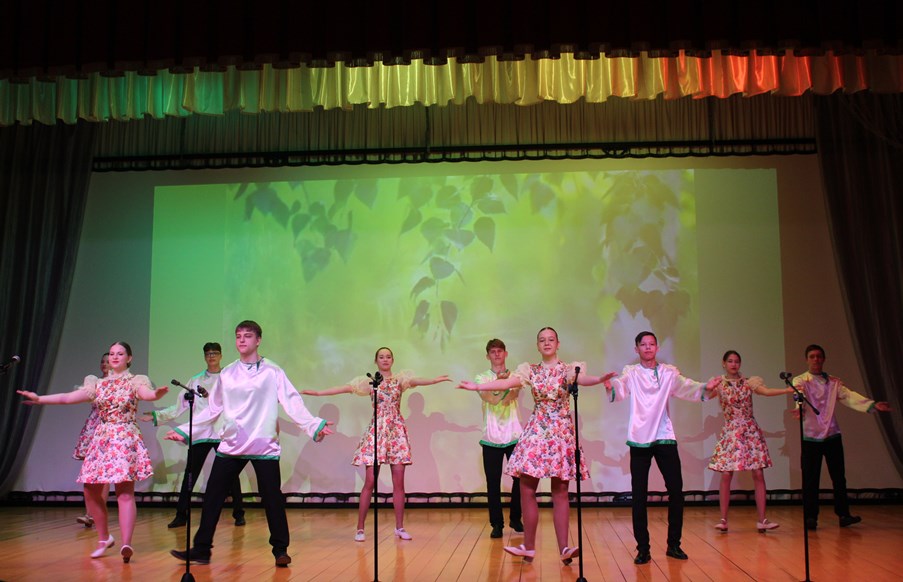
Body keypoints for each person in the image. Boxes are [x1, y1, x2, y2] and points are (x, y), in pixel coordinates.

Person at [166, 320, 333, 568]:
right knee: (212, 496)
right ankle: (201, 549)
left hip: (263, 445)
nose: (242, 340)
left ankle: (280, 550)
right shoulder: (228, 373)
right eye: (238, 336)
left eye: (247, 336)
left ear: (258, 340)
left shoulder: (272, 371)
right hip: (232, 444)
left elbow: (292, 402)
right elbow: (213, 409)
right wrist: (185, 431)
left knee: (272, 499)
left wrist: (314, 425)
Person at [458, 327, 614, 565]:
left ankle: (564, 548)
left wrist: (599, 380)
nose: (547, 343)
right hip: (537, 430)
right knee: (527, 486)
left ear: (558, 344)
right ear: (537, 345)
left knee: (560, 491)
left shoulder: (568, 369)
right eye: (542, 340)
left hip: (560, 432)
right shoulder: (530, 370)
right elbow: (508, 383)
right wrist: (478, 387)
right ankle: (528, 547)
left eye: (551, 339)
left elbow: (581, 379)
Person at [19, 341, 168, 563]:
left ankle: (126, 543)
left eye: (120, 354)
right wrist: (40, 399)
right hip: (102, 439)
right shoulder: (97, 384)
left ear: (129, 358)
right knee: (90, 491)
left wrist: (156, 394)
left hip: (124, 437)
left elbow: (147, 394)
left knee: (124, 492)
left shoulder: (136, 381)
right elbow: (68, 398)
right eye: (112, 353)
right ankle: (104, 538)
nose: (114, 357)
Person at [301, 346, 450, 542]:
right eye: (381, 357)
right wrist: (318, 393)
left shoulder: (399, 380)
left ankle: (399, 527)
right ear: (376, 361)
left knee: (399, 482)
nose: (385, 359)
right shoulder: (370, 382)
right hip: (377, 431)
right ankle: (360, 528)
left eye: (388, 357)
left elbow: (417, 381)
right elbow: (345, 388)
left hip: (396, 432)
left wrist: (434, 380)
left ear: (392, 360)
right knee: (370, 481)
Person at [603, 331, 720, 565]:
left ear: (657, 348)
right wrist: (610, 386)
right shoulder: (632, 372)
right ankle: (643, 549)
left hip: (664, 435)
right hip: (639, 438)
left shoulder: (668, 372)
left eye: (651, 344)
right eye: (643, 344)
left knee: (676, 490)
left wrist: (706, 387)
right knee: (639, 495)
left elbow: (686, 386)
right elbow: (621, 387)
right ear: (636, 349)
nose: (648, 348)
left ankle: (674, 544)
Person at [141, 342, 245, 528]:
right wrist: (157, 415)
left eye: (215, 353)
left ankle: (239, 513)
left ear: (221, 356)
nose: (211, 356)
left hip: (222, 432)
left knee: (231, 474)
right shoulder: (196, 380)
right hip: (200, 432)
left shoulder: (229, 378)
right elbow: (179, 406)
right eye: (208, 354)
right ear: (205, 357)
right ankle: (181, 514)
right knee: (190, 474)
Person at [792, 344, 892, 530]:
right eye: (812, 356)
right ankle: (810, 517)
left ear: (823, 359)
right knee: (810, 478)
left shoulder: (833, 382)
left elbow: (849, 396)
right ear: (806, 360)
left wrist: (872, 405)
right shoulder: (801, 380)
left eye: (819, 356)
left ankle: (843, 514)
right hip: (811, 436)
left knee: (839, 477)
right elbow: (799, 395)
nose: (816, 359)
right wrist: (799, 407)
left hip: (832, 434)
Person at [707, 350, 792, 533]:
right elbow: (703, 395)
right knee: (726, 474)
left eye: (736, 361)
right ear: (724, 363)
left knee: (758, 474)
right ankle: (723, 519)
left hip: (750, 430)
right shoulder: (719, 384)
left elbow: (766, 392)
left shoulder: (749, 382)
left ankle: (762, 519)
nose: (734, 364)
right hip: (731, 431)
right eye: (730, 361)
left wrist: (786, 390)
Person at [472, 338, 523, 539]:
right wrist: (502, 385)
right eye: (493, 352)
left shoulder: (516, 376)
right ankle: (497, 524)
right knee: (492, 482)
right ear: (488, 356)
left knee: (520, 478)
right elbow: (489, 398)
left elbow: (512, 395)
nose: (497, 354)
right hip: (491, 436)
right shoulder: (481, 377)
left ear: (505, 353)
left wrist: (504, 384)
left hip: (514, 434)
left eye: (500, 351)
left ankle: (516, 518)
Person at [73, 351, 110, 528]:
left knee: (104, 474)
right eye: (102, 361)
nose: (104, 364)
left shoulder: (119, 384)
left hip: (108, 428)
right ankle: (89, 513)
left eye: (107, 361)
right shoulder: (93, 382)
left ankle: (94, 514)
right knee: (89, 472)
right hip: (93, 427)